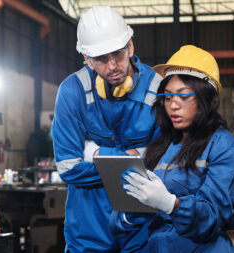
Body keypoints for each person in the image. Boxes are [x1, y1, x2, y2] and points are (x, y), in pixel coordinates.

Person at [110, 45, 234, 252]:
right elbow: (119, 224)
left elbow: (215, 217)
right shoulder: (160, 148)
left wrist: (171, 204)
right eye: (167, 96)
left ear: (206, 98)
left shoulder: (223, 146)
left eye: (183, 96)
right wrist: (131, 211)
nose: (173, 105)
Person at [51, 5, 162, 253]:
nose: (112, 66)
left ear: (130, 46)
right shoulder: (73, 92)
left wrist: (93, 152)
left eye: (118, 54)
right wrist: (133, 158)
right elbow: (69, 168)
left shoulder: (158, 90)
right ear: (87, 60)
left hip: (142, 227)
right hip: (88, 230)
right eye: (101, 59)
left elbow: (164, 164)